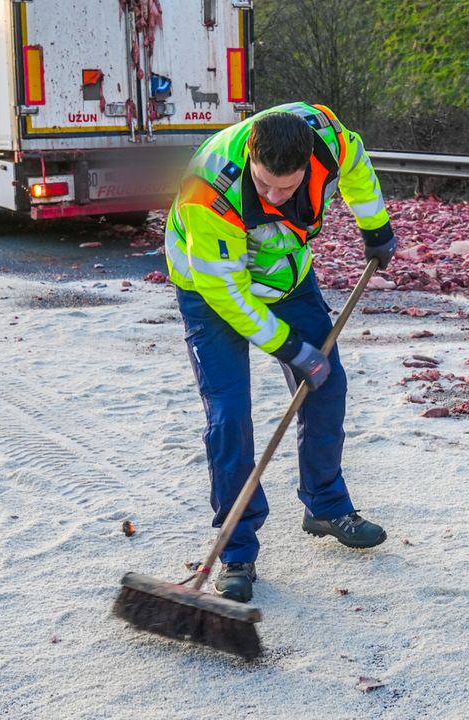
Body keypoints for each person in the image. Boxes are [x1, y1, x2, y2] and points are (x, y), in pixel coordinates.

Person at [164, 102, 397, 602]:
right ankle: (237, 552)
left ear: (310, 161)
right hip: (210, 292)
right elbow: (228, 293)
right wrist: (291, 348)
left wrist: (374, 227)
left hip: (285, 276)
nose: (274, 196)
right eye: (265, 184)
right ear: (250, 153)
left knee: (327, 382)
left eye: (287, 188)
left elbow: (356, 163)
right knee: (230, 416)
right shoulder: (207, 193)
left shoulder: (328, 140)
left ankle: (325, 505)